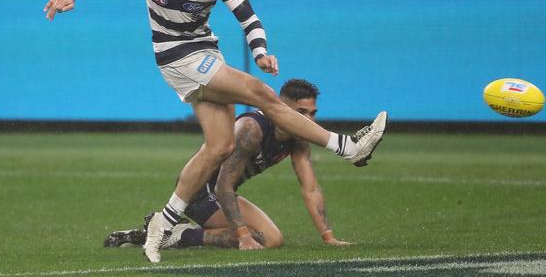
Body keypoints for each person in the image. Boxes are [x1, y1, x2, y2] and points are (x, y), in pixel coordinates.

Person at [44, 0, 387, 263]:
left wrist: (260, 51)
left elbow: (249, 18)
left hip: (206, 53)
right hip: (177, 58)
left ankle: (165, 222)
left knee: (220, 146)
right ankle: (347, 147)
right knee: (264, 95)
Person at [105, 79, 376, 250]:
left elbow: (311, 188)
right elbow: (223, 184)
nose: (309, 120)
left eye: (313, 114)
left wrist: (327, 236)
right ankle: (176, 236)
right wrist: (243, 235)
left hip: (223, 192)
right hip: (201, 192)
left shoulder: (298, 137)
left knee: (269, 238)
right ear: (282, 107)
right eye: (301, 113)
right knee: (266, 238)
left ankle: (174, 232)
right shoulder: (251, 129)